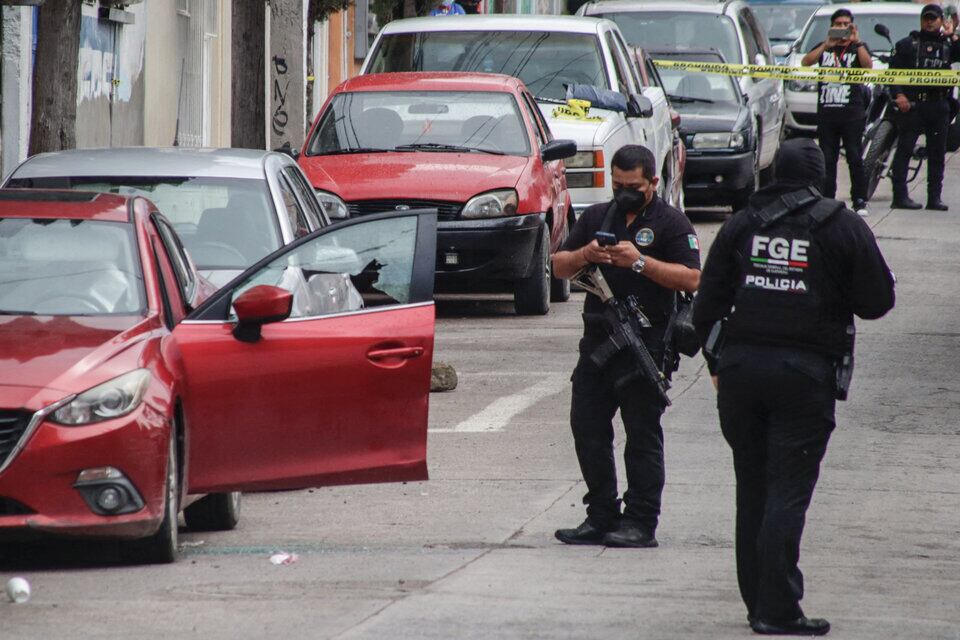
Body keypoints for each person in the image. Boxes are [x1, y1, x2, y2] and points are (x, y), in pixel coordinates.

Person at [692, 138, 895, 636]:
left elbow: (705, 305)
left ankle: (757, 601)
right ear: (819, 177)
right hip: (804, 376)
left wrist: (718, 363)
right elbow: (876, 302)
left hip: (741, 374)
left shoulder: (743, 224)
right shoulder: (841, 225)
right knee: (787, 490)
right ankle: (778, 608)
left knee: (753, 487)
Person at [551, 145, 701, 548]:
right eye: (618, 185)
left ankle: (640, 521)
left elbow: (692, 279)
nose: (625, 193)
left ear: (652, 182)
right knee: (587, 429)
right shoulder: (599, 216)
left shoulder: (671, 223)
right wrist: (586, 254)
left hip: (644, 347)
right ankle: (601, 514)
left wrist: (639, 262)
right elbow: (558, 265)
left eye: (633, 186)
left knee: (641, 437)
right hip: (598, 344)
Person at [801, 9, 873, 216]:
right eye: (838, 24)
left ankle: (859, 200)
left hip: (852, 113)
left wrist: (857, 41)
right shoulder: (825, 46)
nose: (842, 28)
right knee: (827, 159)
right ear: (832, 26)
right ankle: (827, 199)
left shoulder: (857, 47)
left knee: (855, 157)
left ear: (852, 26)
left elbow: (868, 67)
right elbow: (806, 62)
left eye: (846, 24)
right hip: (827, 113)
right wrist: (826, 45)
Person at [889, 3, 960, 210]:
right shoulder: (907, 44)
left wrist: (953, 35)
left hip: (939, 104)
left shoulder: (948, 44)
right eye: (926, 18)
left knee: (937, 153)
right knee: (904, 150)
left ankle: (934, 198)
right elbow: (892, 73)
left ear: (941, 21)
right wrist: (899, 95)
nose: (929, 22)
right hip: (913, 105)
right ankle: (900, 196)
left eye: (933, 19)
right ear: (921, 20)